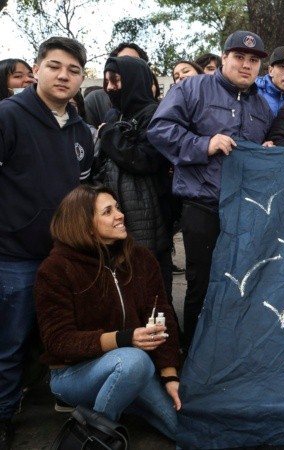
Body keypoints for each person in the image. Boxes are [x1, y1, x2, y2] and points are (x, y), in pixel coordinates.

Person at [147, 30, 274, 348]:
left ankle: (227, 359)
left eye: (254, 60)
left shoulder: (262, 106)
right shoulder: (191, 88)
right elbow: (160, 129)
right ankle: (192, 361)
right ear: (224, 58)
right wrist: (204, 144)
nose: (246, 65)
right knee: (201, 287)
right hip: (202, 205)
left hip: (245, 211)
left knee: (239, 287)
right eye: (239, 57)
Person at [0, 36, 92, 449]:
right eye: (55, 66)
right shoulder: (8, 116)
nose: (63, 76)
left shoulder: (79, 129)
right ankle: (3, 415)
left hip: (64, 255)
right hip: (14, 255)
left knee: (61, 334)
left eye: (73, 70)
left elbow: (82, 189)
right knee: (10, 343)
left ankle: (65, 399)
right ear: (36, 68)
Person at [34, 184, 182, 440]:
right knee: (132, 361)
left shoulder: (141, 258)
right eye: (108, 211)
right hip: (74, 373)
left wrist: (169, 375)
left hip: (136, 369)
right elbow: (58, 341)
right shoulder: (56, 269)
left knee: (183, 429)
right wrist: (123, 339)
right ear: (86, 225)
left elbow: (162, 316)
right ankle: (93, 440)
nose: (120, 214)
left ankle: (121, 400)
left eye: (118, 207)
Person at [96, 56, 174, 312]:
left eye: (116, 80)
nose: (109, 87)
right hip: (115, 214)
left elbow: (145, 160)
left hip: (150, 218)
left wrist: (108, 133)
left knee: (153, 289)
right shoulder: (113, 114)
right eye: (107, 80)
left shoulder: (155, 114)